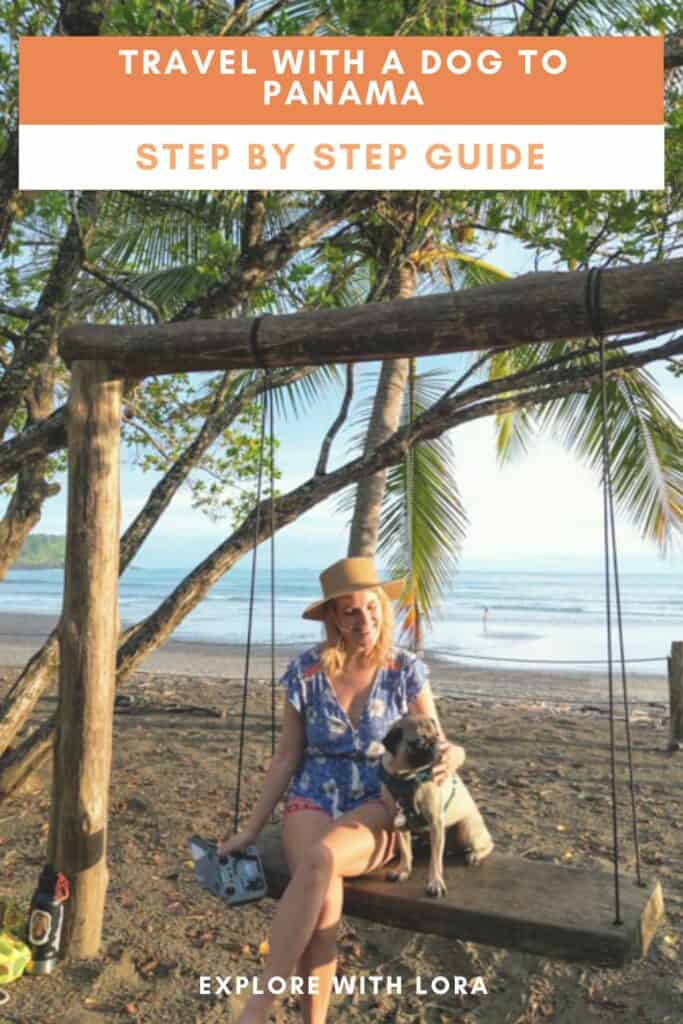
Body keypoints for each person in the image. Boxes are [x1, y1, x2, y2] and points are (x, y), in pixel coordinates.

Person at [218, 556, 464, 1024]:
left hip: (380, 799)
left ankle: (257, 1006)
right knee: (324, 891)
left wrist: (454, 756)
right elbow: (287, 757)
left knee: (321, 860)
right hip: (312, 796)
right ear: (332, 616)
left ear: (383, 609)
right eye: (350, 611)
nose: (364, 619)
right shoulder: (305, 673)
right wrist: (249, 832)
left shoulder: (404, 669)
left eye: (371, 608)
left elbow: (440, 740)